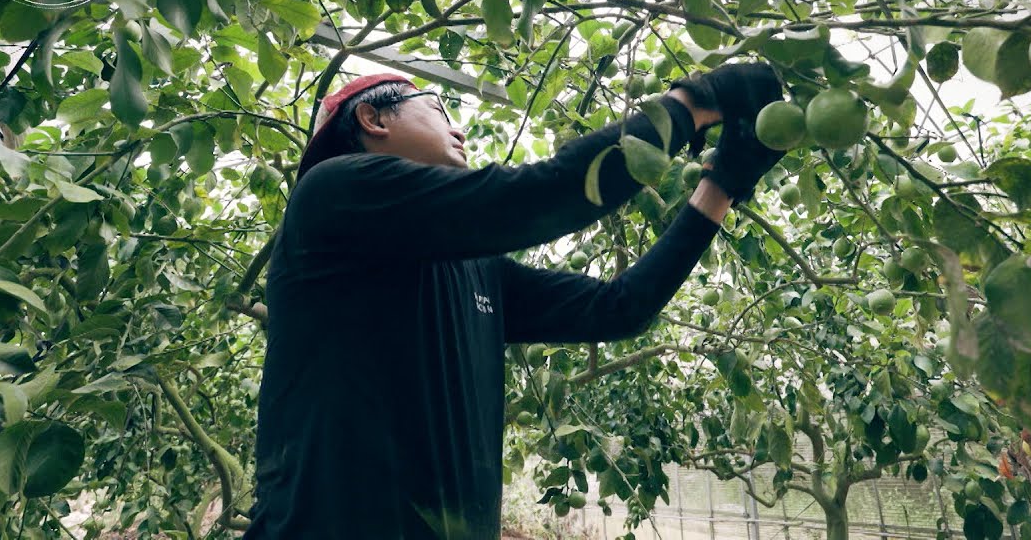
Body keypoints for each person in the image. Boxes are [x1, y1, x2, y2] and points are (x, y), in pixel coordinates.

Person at [244, 62, 787, 539]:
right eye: (437, 108)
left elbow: (622, 306)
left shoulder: (475, 268)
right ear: (374, 120)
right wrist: (691, 103)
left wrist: (720, 185)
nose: (457, 127)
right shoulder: (331, 193)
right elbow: (537, 196)